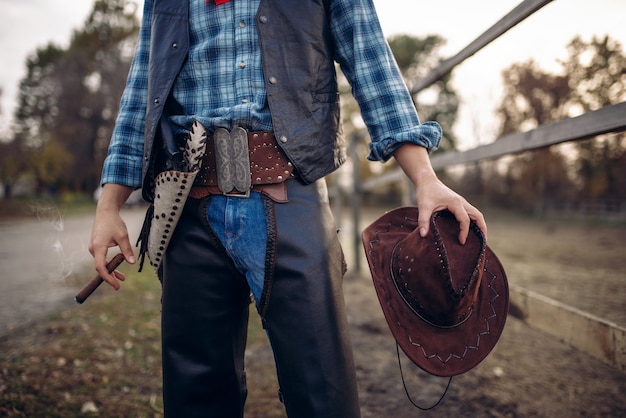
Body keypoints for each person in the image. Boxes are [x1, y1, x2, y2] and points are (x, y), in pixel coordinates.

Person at [89, 0, 487, 417]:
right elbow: (141, 92)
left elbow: (372, 63)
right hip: (187, 203)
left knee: (323, 389)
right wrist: (109, 205)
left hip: (290, 197)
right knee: (195, 395)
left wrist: (425, 178)